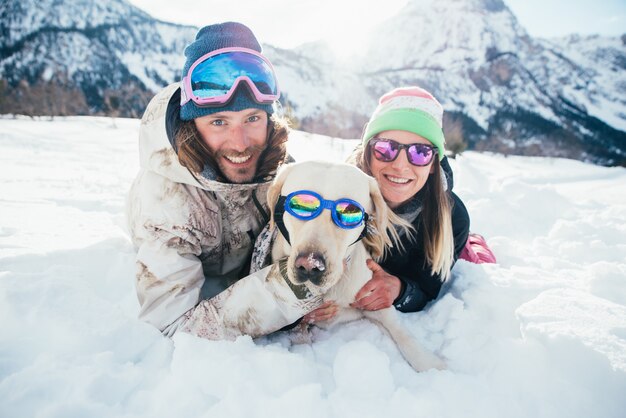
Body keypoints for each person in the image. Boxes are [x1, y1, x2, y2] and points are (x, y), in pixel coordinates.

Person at [126, 22, 324, 339]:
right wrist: (288, 293)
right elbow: (170, 326)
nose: (241, 143)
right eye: (219, 121)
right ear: (192, 126)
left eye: (252, 118)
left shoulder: (280, 170)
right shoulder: (168, 203)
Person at [304, 86, 482, 323]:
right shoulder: (338, 196)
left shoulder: (451, 218)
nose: (400, 165)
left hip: (440, 242)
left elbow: (426, 289)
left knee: (475, 254)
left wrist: (399, 289)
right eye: (385, 149)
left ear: (433, 164)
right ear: (368, 152)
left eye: (420, 153)